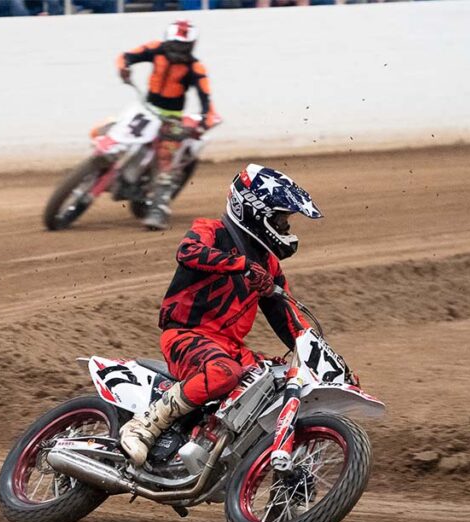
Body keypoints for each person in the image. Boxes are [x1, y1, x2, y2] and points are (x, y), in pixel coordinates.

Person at [119, 164, 322, 466]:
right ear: (255, 211)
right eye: (280, 220)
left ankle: (221, 446)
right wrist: (239, 265)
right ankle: (144, 425)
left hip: (229, 346)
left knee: (276, 381)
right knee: (222, 372)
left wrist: (319, 356)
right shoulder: (211, 230)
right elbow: (187, 252)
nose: (285, 228)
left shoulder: (269, 266)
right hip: (187, 334)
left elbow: (288, 319)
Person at [116, 19, 218, 231]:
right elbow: (126, 56)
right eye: (174, 45)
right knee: (112, 130)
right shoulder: (155, 48)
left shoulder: (195, 67)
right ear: (167, 41)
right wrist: (123, 68)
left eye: (183, 46)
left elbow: (206, 98)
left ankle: (158, 210)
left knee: (166, 158)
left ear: (191, 46)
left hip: (171, 117)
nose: (177, 51)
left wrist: (206, 121)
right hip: (146, 107)